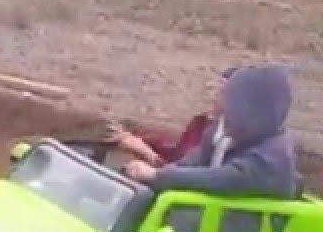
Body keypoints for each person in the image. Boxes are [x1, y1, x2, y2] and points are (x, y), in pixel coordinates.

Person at [124, 63, 297, 198]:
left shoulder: (271, 157)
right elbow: (194, 160)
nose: (224, 107)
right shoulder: (224, 131)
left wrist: (157, 176)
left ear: (255, 110)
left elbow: (222, 179)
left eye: (233, 103)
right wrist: (157, 175)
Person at [106, 67, 237, 167]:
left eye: (224, 90)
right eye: (218, 87)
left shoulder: (229, 140)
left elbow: (186, 176)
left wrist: (147, 153)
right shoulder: (201, 122)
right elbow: (177, 155)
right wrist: (136, 139)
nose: (216, 94)